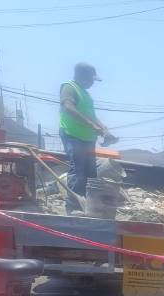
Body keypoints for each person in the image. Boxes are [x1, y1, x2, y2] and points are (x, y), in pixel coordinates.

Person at [59, 63, 109, 214]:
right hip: (73, 135)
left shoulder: (85, 94)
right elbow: (68, 107)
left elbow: (93, 117)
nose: (93, 83)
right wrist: (90, 124)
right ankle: (73, 207)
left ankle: (89, 206)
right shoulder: (69, 87)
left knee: (90, 173)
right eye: (91, 79)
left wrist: (105, 130)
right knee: (78, 171)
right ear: (82, 76)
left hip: (88, 138)